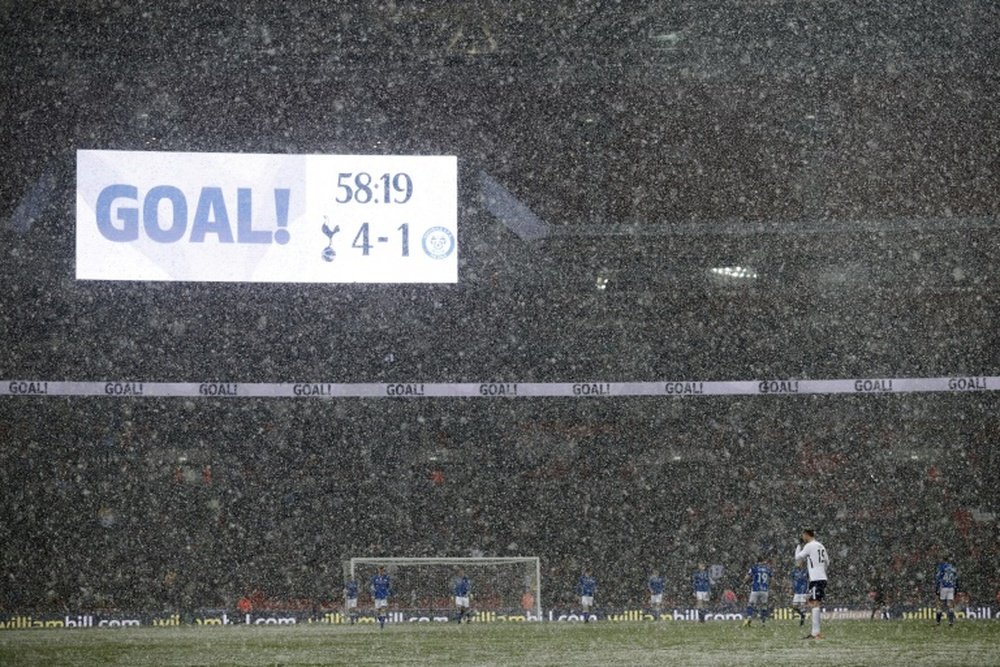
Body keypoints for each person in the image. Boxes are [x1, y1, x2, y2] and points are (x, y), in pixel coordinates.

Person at [794, 529, 829, 640]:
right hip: (822, 578)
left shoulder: (809, 546)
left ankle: (815, 633)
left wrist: (798, 546)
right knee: (814, 602)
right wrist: (821, 570)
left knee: (814, 604)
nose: (803, 537)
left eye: (803, 535)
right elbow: (827, 561)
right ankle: (816, 632)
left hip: (815, 579)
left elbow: (797, 558)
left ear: (806, 535)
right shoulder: (821, 545)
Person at [742, 555, 773, 626]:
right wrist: (769, 586)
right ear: (763, 561)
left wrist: (744, 582)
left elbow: (747, 577)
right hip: (764, 590)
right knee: (764, 605)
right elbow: (773, 579)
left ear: (757, 561)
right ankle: (763, 622)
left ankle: (749, 617)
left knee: (750, 604)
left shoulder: (754, 567)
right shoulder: (767, 568)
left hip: (755, 589)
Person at [935, 558, 958, 627]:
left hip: (944, 587)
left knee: (940, 604)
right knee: (950, 604)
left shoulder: (942, 567)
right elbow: (956, 578)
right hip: (951, 587)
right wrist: (956, 587)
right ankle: (950, 622)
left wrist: (937, 588)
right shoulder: (953, 568)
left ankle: (938, 622)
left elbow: (938, 578)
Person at [791, 561, 809, 626]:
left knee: (802, 607)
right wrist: (792, 588)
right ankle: (802, 615)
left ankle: (802, 623)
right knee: (794, 606)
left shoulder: (806, 571)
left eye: (799, 563)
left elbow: (809, 579)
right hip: (797, 592)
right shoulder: (794, 571)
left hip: (803, 592)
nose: (798, 564)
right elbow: (792, 580)